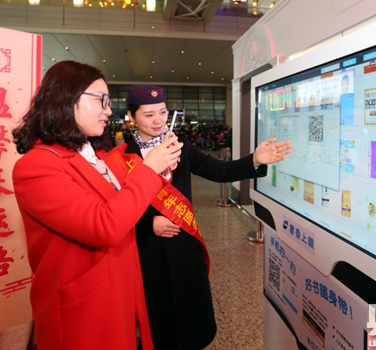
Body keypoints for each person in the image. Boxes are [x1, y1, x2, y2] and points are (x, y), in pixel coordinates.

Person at [11, 62, 182, 350]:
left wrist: (161, 167)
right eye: (101, 100)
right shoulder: (36, 166)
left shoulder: (96, 154)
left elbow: (128, 198)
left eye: (109, 101)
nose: (108, 110)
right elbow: (104, 226)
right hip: (83, 306)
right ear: (66, 99)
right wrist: (150, 169)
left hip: (118, 287)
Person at [124, 84, 293, 350]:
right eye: (148, 114)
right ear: (132, 116)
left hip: (183, 244)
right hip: (147, 249)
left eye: (163, 112)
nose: (158, 120)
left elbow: (219, 171)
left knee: (189, 316)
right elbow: (114, 206)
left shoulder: (181, 147)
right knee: (157, 318)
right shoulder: (122, 155)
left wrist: (255, 160)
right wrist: (147, 223)